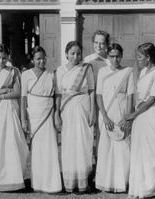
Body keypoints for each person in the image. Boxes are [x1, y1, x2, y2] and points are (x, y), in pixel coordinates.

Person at [124, 43, 155, 198]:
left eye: (140, 57)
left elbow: (151, 99)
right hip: (141, 116)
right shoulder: (143, 72)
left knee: (151, 152)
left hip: (152, 116)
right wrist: (136, 114)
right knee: (139, 151)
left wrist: (133, 114)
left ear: (148, 57)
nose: (137, 60)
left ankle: (150, 187)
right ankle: (139, 186)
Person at [0, 43, 29, 192]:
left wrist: (1, 96)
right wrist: (3, 91)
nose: (1, 61)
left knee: (13, 143)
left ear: (8, 57)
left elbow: (17, 93)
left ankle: (14, 179)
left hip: (10, 111)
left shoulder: (14, 71)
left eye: (4, 58)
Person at [55, 41, 96, 192]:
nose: (75, 56)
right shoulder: (59, 71)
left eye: (78, 53)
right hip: (67, 109)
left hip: (83, 106)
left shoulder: (87, 68)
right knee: (69, 143)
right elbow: (58, 95)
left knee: (84, 142)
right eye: (72, 53)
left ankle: (84, 181)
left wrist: (92, 112)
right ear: (66, 54)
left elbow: (91, 90)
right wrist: (57, 115)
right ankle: (70, 182)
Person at [20, 46, 62, 193]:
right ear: (32, 60)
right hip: (34, 115)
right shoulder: (26, 75)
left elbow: (57, 96)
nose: (41, 61)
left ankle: (51, 183)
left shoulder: (52, 74)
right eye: (38, 58)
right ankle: (37, 183)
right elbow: (23, 98)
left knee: (50, 147)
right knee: (37, 149)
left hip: (48, 114)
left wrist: (56, 114)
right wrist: (23, 119)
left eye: (43, 58)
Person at [95, 43, 134, 192]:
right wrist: (104, 116)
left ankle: (121, 182)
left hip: (121, 113)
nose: (115, 59)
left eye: (118, 56)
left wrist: (127, 117)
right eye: (112, 56)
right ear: (108, 56)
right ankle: (106, 181)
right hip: (107, 113)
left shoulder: (128, 71)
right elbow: (99, 95)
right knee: (106, 147)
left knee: (123, 147)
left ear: (121, 56)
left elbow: (130, 96)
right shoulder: (102, 72)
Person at [83, 30, 110, 161]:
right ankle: (88, 166)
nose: (99, 46)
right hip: (88, 102)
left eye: (102, 43)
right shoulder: (86, 61)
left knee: (102, 133)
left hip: (105, 103)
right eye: (96, 43)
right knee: (87, 133)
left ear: (107, 45)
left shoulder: (111, 62)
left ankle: (101, 163)